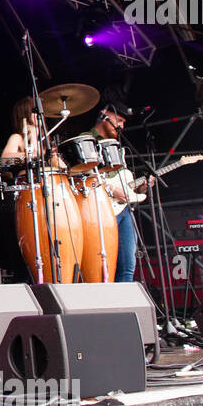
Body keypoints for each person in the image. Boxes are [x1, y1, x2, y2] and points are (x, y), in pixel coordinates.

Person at [84, 104, 152, 283]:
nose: (121, 126)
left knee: (128, 265)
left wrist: (142, 187)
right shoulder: (86, 139)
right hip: (99, 211)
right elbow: (82, 177)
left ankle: (125, 305)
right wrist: (112, 189)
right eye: (119, 120)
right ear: (104, 115)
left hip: (123, 210)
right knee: (104, 267)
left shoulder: (117, 147)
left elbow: (123, 181)